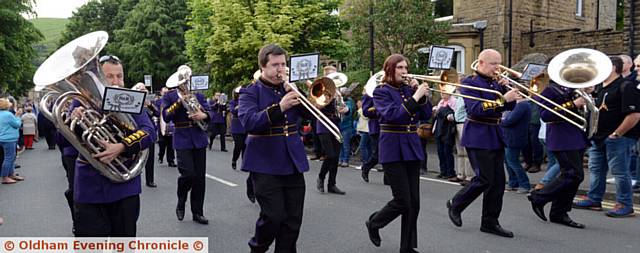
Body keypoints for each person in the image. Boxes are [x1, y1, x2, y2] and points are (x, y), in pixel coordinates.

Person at [71, 55, 156, 236]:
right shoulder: (80, 100)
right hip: (89, 185)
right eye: (110, 76)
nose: (116, 81)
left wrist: (122, 146)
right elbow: (63, 141)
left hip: (124, 184)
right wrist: (73, 119)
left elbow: (150, 131)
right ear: (98, 78)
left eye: (120, 76)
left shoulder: (129, 99)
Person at [239, 44, 310, 252]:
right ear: (263, 67)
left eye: (283, 64)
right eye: (275, 65)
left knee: (293, 221)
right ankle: (258, 246)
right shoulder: (250, 92)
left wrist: (302, 97)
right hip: (264, 163)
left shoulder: (290, 89)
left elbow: (311, 115)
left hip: (293, 161)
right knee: (273, 216)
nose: (281, 69)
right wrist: (280, 107)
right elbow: (249, 122)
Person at [446, 49, 519, 238]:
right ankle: (456, 203)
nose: (498, 68)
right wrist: (503, 98)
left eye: (499, 63)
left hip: (495, 133)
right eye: (494, 64)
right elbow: (476, 109)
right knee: (484, 178)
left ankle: (490, 221)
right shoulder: (470, 83)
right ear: (481, 63)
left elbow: (510, 106)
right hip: (478, 133)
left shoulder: (495, 82)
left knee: (498, 183)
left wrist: (507, 89)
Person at [365, 54, 432, 253]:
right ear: (390, 70)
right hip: (392, 146)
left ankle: (407, 247)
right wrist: (415, 96)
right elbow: (393, 115)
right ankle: (374, 222)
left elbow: (426, 114)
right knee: (402, 200)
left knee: (414, 202)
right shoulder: (381, 91)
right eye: (400, 68)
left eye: (406, 67)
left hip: (411, 145)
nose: (404, 71)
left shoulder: (408, 89)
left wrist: (422, 96)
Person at [573, 56, 640, 218]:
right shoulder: (601, 88)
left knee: (620, 173)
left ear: (612, 68)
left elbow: (635, 115)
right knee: (596, 170)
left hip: (618, 138)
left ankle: (625, 204)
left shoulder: (626, 86)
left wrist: (617, 134)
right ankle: (594, 199)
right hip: (599, 137)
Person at [526, 77, 589, 228]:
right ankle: (540, 197)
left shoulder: (573, 90)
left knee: (574, 176)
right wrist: (573, 104)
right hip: (562, 137)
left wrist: (586, 96)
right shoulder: (550, 90)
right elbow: (546, 116)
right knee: (573, 174)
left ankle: (559, 212)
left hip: (576, 136)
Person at [161, 66, 211, 225]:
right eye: (182, 81)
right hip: (182, 139)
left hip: (199, 138)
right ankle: (181, 199)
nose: (185, 83)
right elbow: (166, 116)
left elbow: (211, 113)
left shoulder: (198, 95)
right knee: (188, 174)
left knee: (199, 179)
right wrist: (179, 101)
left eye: (186, 80)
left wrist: (203, 115)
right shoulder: (169, 96)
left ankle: (198, 212)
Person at [315, 81, 347, 195]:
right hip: (324, 125)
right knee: (330, 154)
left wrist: (345, 109)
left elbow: (343, 108)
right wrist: (328, 96)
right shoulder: (320, 92)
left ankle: (331, 184)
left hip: (336, 126)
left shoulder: (338, 94)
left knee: (336, 156)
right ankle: (321, 177)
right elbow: (317, 106)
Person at [501, 92, 532, 193]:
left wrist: (501, 120)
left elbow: (510, 120)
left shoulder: (522, 105)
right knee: (509, 161)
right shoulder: (520, 105)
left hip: (514, 137)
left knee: (513, 162)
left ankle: (525, 184)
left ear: (519, 95)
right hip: (510, 137)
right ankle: (513, 182)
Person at [132, 82, 158, 188]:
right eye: (140, 89)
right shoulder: (133, 102)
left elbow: (157, 113)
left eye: (144, 89)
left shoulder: (148, 103)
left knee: (150, 159)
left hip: (148, 133)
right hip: (136, 134)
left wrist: (150, 105)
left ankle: (150, 180)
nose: (143, 91)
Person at [0, 98, 24, 184]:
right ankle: (5, 177)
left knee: (11, 157)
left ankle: (11, 174)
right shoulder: (8, 114)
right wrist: (18, 116)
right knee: (9, 158)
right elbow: (17, 124)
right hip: (9, 139)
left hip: (3, 138)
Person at [360, 92, 380, 182]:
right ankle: (366, 167)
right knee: (376, 155)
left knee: (388, 154)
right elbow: (365, 112)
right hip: (375, 127)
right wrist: (379, 109)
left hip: (388, 126)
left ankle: (387, 179)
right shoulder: (368, 95)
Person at [156, 87, 176, 167]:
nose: (165, 94)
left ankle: (171, 161)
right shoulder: (157, 102)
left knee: (171, 144)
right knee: (162, 143)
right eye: (164, 92)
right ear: (161, 93)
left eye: (167, 92)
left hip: (171, 125)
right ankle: (161, 155)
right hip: (162, 125)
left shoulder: (171, 101)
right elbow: (156, 112)